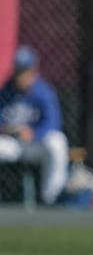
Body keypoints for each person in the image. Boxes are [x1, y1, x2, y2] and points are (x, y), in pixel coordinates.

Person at [0, 44, 69, 204]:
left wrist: (33, 133)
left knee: (57, 143)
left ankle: (51, 198)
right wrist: (7, 130)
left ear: (33, 72)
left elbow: (53, 123)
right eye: (19, 71)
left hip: (35, 144)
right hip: (12, 144)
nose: (21, 76)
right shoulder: (5, 91)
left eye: (25, 72)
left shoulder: (44, 92)